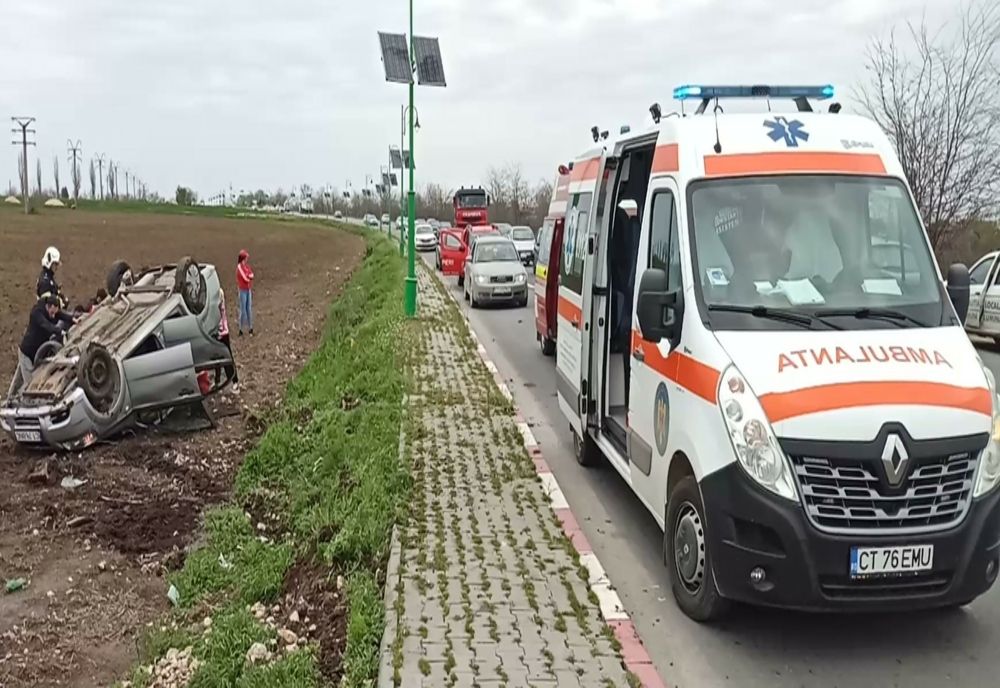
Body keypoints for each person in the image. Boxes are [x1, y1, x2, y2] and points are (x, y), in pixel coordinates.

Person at [18, 294, 75, 390]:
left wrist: (72, 319)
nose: (53, 316)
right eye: (52, 313)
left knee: (27, 379)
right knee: (30, 383)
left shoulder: (51, 310)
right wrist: (60, 331)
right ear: (49, 306)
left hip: (37, 353)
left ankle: (12, 396)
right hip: (27, 352)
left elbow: (60, 314)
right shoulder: (37, 313)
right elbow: (45, 325)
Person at [217, 288, 239, 392]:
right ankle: (217, 381)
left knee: (227, 357)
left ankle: (235, 381)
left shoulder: (218, 293)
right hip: (216, 332)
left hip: (223, 331)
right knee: (216, 357)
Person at [236, 249, 255, 336]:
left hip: (248, 289)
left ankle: (250, 328)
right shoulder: (239, 267)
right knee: (243, 310)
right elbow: (246, 278)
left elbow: (252, 275)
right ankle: (240, 329)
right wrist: (249, 276)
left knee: (249, 309)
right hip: (243, 290)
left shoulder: (246, 267)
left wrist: (249, 276)